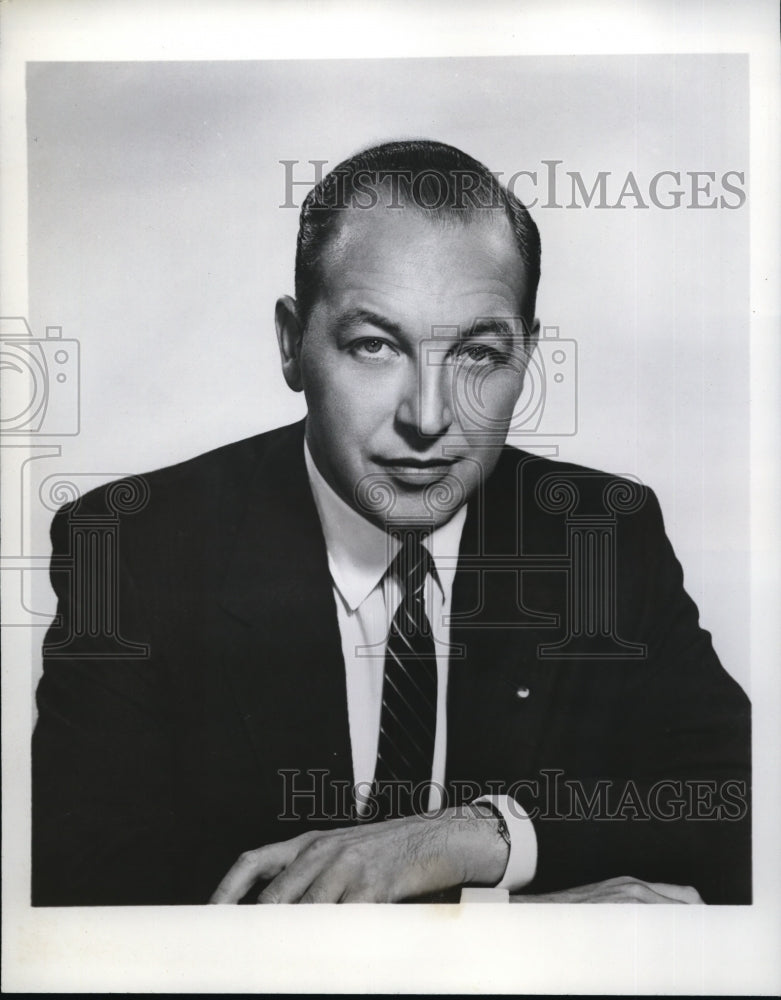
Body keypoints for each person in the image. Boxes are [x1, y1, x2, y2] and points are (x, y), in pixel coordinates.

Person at [32, 139, 751, 906]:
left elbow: (733, 804)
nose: (429, 418)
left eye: (478, 353)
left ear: (527, 356)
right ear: (291, 344)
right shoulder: (137, 547)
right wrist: (495, 923)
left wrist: (477, 833)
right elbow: (91, 891)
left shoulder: (599, 536)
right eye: (374, 346)